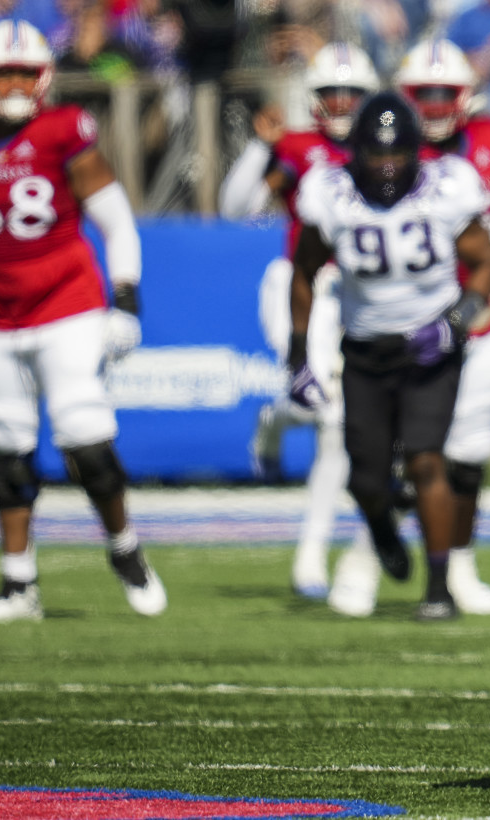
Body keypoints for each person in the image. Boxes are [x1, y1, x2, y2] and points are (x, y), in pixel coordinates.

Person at [0, 19, 166, 623]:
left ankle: (124, 548)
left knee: (86, 441)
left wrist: (125, 299)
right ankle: (17, 584)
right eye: (5, 72)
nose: (16, 82)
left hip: (65, 306)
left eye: (25, 71)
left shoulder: (62, 132)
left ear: (45, 75)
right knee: (7, 452)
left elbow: (116, 219)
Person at [326, 38, 490, 618]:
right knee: (391, 459)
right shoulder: (374, 149)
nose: (437, 104)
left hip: (474, 321)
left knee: (462, 455)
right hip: (385, 323)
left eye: (447, 93)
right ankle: (367, 555)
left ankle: (457, 570)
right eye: (425, 93)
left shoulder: (489, 142)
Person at [290, 90, 490, 621]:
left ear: (416, 151)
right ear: (355, 151)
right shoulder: (330, 194)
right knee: (365, 478)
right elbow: (304, 271)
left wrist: (455, 322)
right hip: (364, 348)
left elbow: (486, 264)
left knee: (428, 459)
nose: (386, 166)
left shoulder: (446, 188)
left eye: (397, 154)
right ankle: (384, 530)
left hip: (431, 349)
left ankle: (438, 587)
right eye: (376, 154)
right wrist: (298, 354)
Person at [219, 41, 378, 599]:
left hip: (361, 293)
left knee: (336, 419)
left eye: (349, 92)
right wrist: (259, 150)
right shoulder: (296, 146)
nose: (339, 102)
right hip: (300, 287)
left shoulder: (383, 150)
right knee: (325, 409)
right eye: (330, 92)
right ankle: (310, 551)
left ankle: (309, 547)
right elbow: (234, 208)